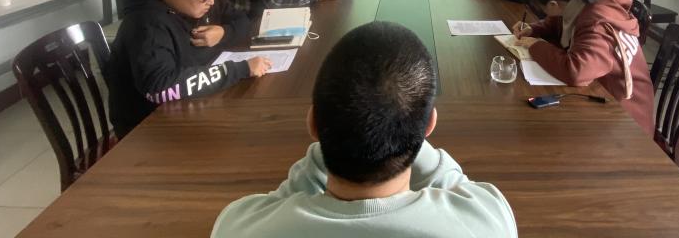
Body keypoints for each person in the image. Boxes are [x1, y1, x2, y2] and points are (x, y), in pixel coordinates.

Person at [212, 21, 518, 238]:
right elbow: (454, 183)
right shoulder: (488, 221)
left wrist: (335, 134)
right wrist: (404, 126)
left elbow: (280, 202)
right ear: (429, 126)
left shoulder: (237, 227)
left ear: (313, 124)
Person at [107, 0, 270, 138]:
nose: (212, 2)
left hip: (193, 103)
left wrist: (224, 32)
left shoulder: (202, 2)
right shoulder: (147, 25)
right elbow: (161, 88)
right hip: (150, 129)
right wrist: (239, 69)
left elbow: (243, 22)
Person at [513, 0, 654, 136]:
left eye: (538, 8)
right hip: (599, 88)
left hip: (625, 114)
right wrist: (534, 29)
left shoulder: (596, 22)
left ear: (552, 4)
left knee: (549, 133)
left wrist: (535, 45)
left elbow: (577, 71)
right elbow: (557, 22)